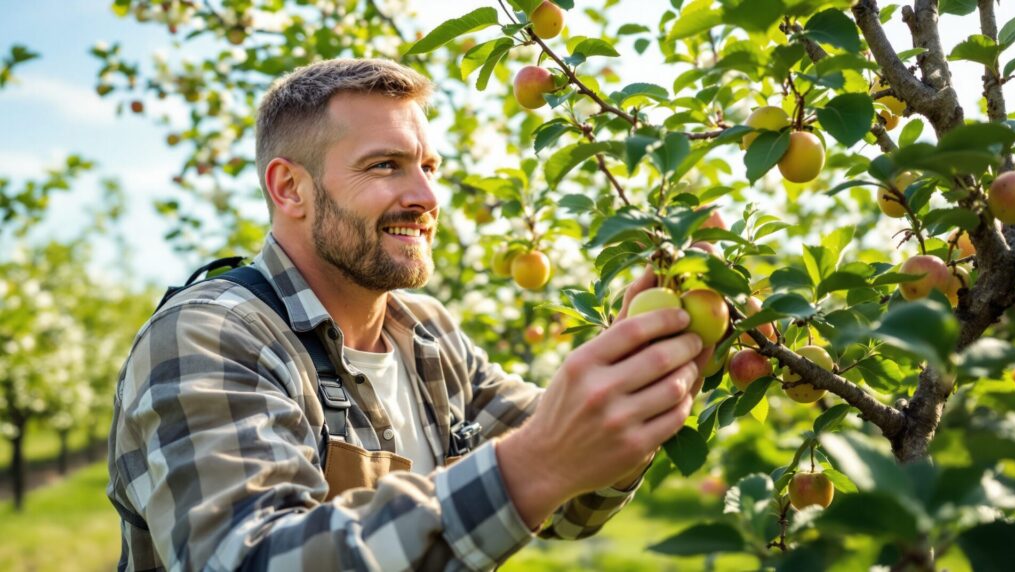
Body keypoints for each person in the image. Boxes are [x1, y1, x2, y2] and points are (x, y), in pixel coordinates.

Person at [107, 58, 707, 571]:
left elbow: (574, 506)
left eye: (429, 167)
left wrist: (638, 374)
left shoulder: (426, 331)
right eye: (385, 165)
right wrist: (532, 466)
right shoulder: (207, 336)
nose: (426, 197)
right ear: (290, 189)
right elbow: (250, 557)